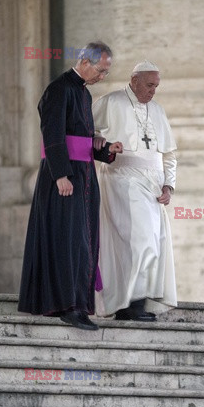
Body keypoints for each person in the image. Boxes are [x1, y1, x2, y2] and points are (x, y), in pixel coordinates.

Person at [18, 41, 123, 330]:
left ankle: (79, 304)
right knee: (68, 241)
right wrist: (61, 175)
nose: (103, 76)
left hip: (85, 176)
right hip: (62, 178)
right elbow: (52, 135)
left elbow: (82, 141)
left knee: (84, 241)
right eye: (101, 70)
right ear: (85, 62)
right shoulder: (58, 89)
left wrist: (104, 148)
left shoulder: (85, 95)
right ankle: (67, 305)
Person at [92, 60, 177, 321]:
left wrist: (169, 185)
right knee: (139, 241)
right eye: (149, 85)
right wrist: (98, 141)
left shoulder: (158, 110)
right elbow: (87, 133)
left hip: (153, 185)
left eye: (156, 86)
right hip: (123, 179)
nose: (153, 91)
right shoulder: (111, 102)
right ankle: (132, 305)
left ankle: (134, 304)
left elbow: (169, 153)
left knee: (152, 241)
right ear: (134, 80)